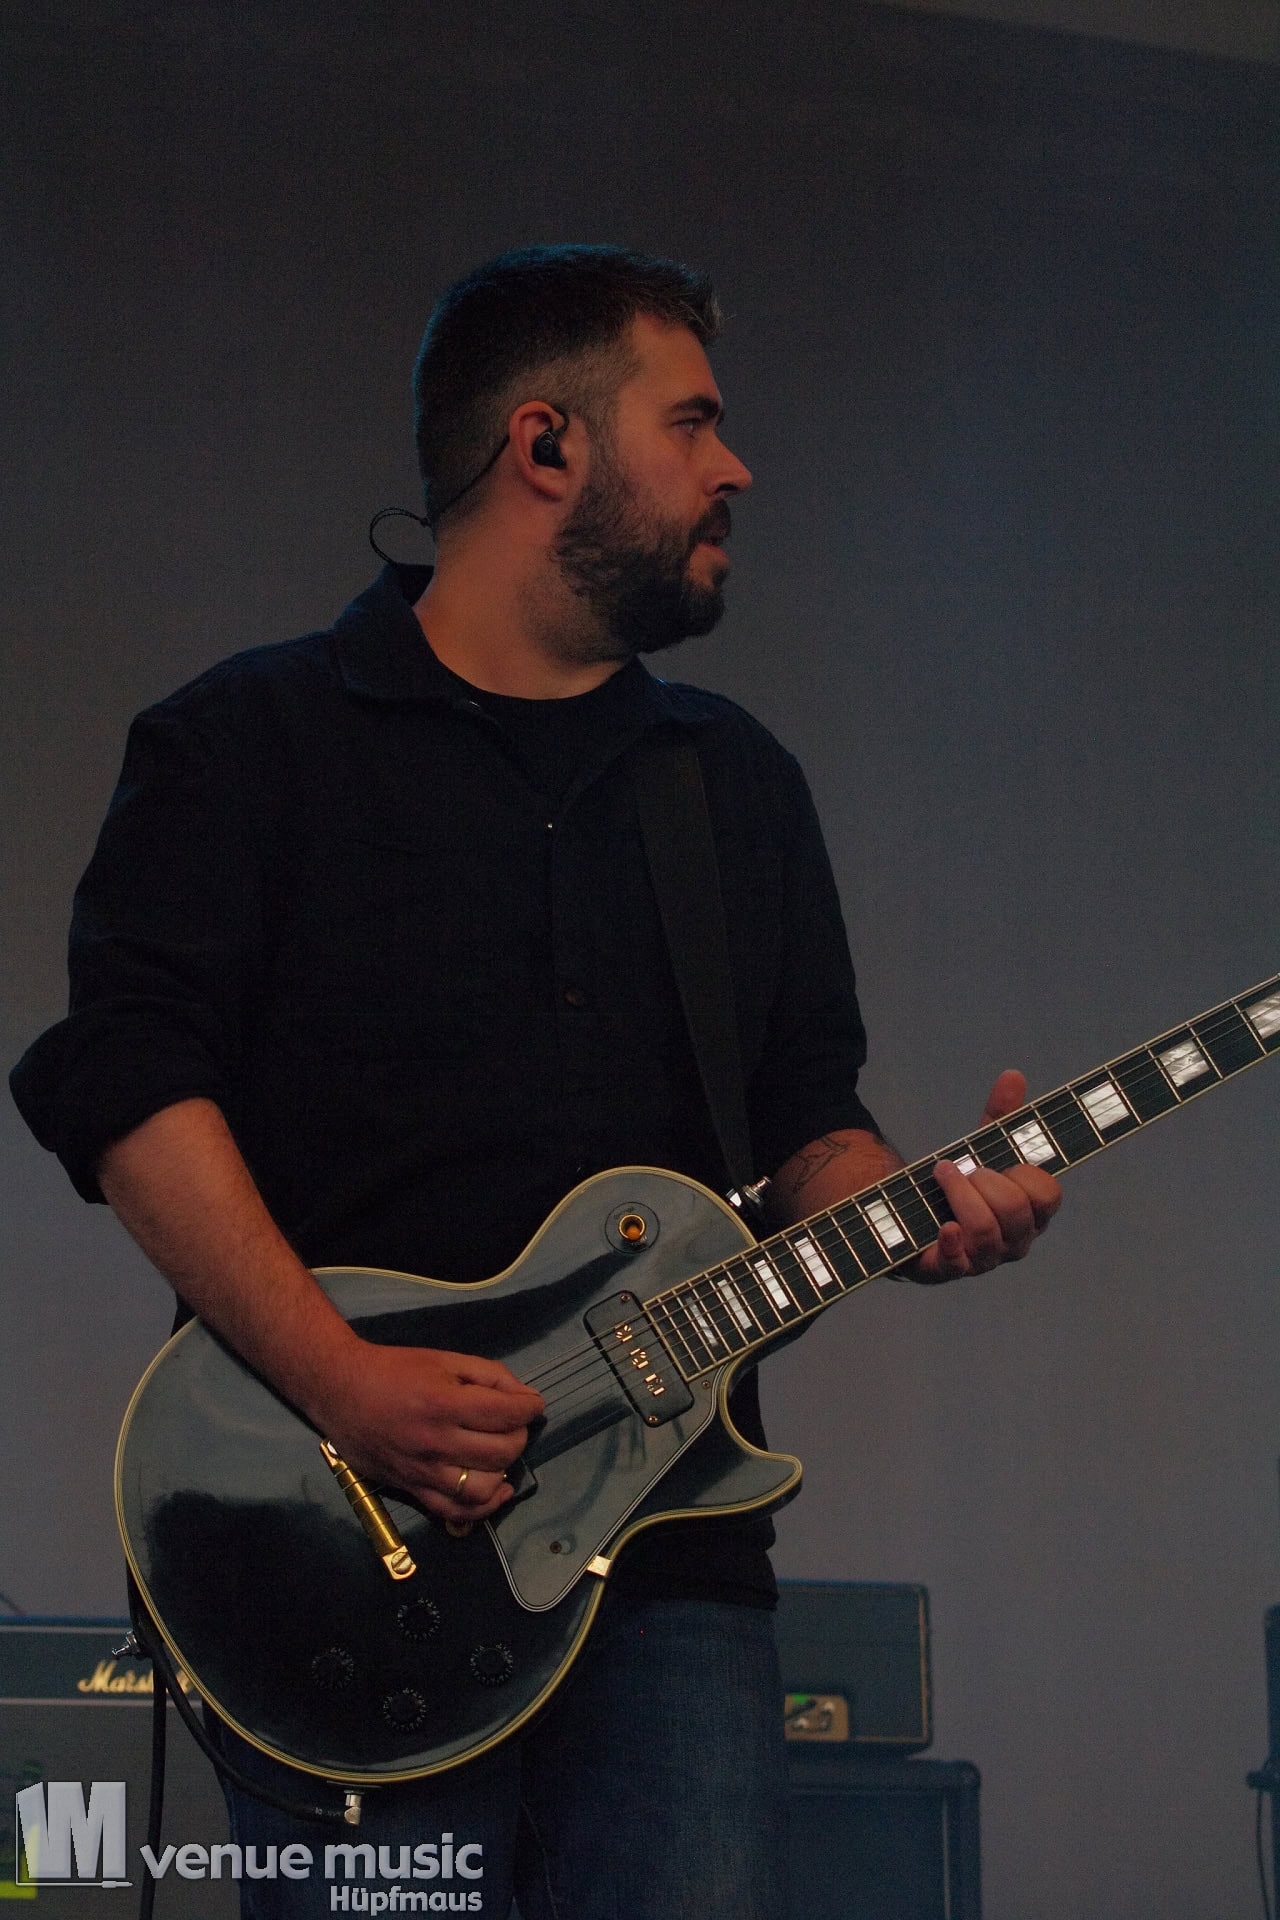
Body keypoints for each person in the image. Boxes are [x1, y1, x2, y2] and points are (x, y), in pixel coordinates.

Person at [10, 245, 1061, 1919]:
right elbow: (128, 1089)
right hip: (338, 1545)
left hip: (673, 1569)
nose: (736, 468)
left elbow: (809, 1121)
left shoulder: (734, 782)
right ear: (545, 444)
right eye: (693, 421)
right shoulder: (248, 742)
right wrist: (345, 1381)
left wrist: (918, 1212)